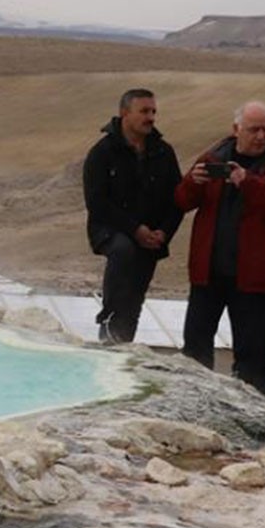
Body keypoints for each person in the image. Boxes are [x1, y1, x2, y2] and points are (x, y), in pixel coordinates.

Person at [175, 100, 265, 396]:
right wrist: (193, 182)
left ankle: (253, 411)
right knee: (195, 347)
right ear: (236, 129)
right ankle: (193, 401)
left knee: (253, 355)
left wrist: (249, 182)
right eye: (254, 129)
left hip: (254, 280)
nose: (261, 136)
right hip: (209, 273)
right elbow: (182, 201)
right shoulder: (214, 156)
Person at [81, 89, 183, 344]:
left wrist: (164, 232)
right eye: (144, 111)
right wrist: (135, 229)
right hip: (111, 230)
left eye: (153, 111)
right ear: (124, 113)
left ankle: (122, 345)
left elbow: (177, 199)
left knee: (135, 297)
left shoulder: (163, 152)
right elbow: (96, 202)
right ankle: (108, 324)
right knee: (124, 251)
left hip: (151, 236)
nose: (151, 118)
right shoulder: (102, 153)